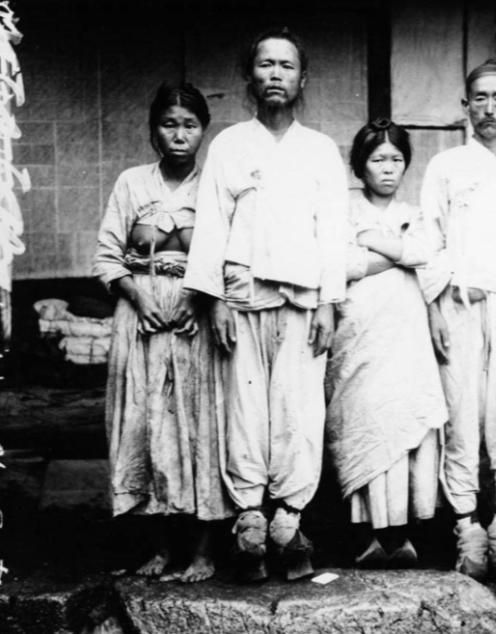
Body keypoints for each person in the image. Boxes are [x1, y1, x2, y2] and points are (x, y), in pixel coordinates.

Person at [183, 27, 348, 581]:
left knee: (299, 412)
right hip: (242, 297)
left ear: (303, 79)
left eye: (286, 65)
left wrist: (328, 302)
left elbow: (333, 231)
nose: (275, 74)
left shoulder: (319, 149)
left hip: (303, 301)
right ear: (249, 75)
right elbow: (212, 224)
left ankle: (289, 520)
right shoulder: (230, 145)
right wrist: (215, 300)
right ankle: (250, 521)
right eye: (265, 64)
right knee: (246, 411)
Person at [93, 82, 231, 583]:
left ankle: (203, 552)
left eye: (189, 125)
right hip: (141, 318)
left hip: (197, 320)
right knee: (145, 423)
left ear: (203, 131)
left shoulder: (214, 185)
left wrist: (202, 299)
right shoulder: (132, 183)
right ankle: (158, 547)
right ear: (154, 130)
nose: (179, 135)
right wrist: (138, 296)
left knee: (199, 426)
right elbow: (107, 255)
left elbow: (228, 256)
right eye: (169, 124)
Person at [419, 60, 496, 579]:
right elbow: (429, 240)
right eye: (480, 98)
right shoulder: (445, 166)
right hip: (459, 305)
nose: (489, 108)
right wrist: (434, 307)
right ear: (465, 105)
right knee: (461, 415)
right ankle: (467, 525)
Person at [325, 119, 447, 568]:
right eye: (378, 159)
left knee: (404, 416)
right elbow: (338, 262)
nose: (389, 168)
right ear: (360, 166)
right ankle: (368, 534)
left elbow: (426, 253)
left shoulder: (415, 212)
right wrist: (397, 252)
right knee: (366, 417)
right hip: (359, 327)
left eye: (396, 159)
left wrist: (375, 243)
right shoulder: (343, 210)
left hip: (406, 329)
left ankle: (405, 534)